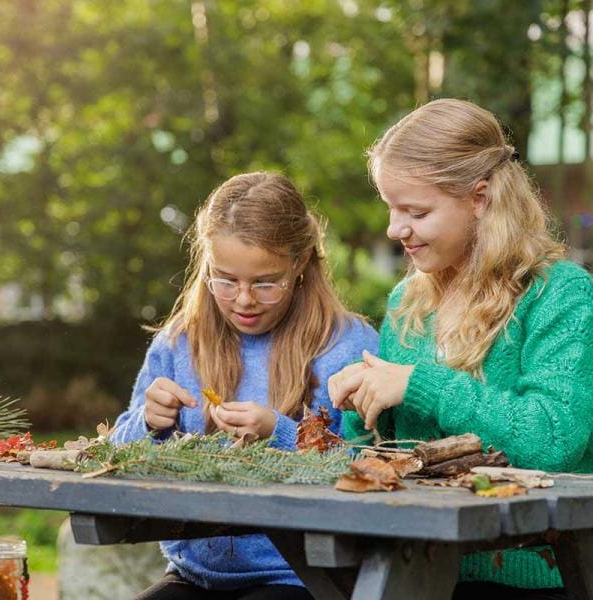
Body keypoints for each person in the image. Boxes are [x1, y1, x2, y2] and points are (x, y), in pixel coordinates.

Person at [328, 98, 593, 600]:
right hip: (421, 571)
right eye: (391, 207)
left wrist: (416, 384)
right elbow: (392, 457)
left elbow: (553, 437)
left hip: (536, 576)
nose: (394, 228)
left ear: (479, 198)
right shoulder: (409, 301)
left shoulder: (559, 294)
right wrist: (359, 408)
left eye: (416, 211)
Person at [111, 171, 378, 600]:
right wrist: (147, 422)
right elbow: (114, 453)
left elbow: (370, 467)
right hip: (196, 574)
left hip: (304, 578)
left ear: (301, 263)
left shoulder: (347, 346)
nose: (243, 300)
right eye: (225, 279)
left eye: (265, 282)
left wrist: (282, 433)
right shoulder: (180, 342)